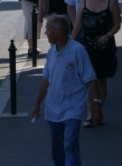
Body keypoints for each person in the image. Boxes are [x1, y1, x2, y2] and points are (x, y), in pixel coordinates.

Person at [29, 15, 98, 166]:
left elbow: (91, 80)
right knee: (58, 150)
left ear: (59, 31)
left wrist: (94, 109)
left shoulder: (77, 51)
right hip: (52, 109)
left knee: (69, 146)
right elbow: (46, 79)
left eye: (48, 30)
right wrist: (36, 104)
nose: (45, 33)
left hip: (72, 109)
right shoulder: (51, 52)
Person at [72, 0, 121, 128]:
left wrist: (108, 35)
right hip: (87, 46)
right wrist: (69, 45)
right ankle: (90, 114)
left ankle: (98, 109)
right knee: (88, 80)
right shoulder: (83, 1)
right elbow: (77, 25)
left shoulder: (111, 1)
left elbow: (117, 24)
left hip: (104, 45)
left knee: (101, 80)